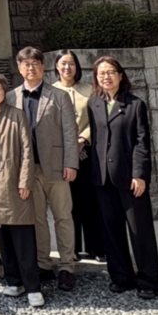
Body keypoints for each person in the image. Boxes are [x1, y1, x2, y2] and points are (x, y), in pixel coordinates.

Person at [87, 56, 158, 299]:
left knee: (139, 231)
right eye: (101, 73)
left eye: (110, 72)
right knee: (111, 231)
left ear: (120, 75)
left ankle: (148, 280)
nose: (106, 77)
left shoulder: (135, 104)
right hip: (103, 178)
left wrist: (140, 175)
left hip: (129, 178)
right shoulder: (94, 104)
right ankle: (120, 276)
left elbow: (142, 143)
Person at [6, 47, 79, 291]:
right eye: (26, 64)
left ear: (43, 66)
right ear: (19, 68)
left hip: (56, 167)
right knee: (37, 219)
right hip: (27, 170)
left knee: (62, 216)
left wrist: (71, 162)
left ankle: (67, 266)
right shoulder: (10, 97)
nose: (31, 68)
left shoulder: (58, 96)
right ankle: (43, 263)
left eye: (35, 64)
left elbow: (70, 132)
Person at [0, 71, 43, 308]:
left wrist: (25, 181)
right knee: (3, 236)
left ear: (5, 91)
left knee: (23, 236)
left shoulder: (17, 115)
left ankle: (33, 286)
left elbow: (27, 150)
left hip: (14, 183)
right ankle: (14, 280)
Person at [53, 50, 106, 262]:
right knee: (68, 202)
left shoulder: (91, 90)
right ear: (56, 66)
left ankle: (97, 247)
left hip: (88, 152)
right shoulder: (51, 91)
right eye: (63, 63)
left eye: (71, 64)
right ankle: (71, 248)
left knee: (91, 201)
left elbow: (98, 119)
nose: (67, 68)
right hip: (62, 155)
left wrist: (83, 139)